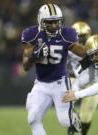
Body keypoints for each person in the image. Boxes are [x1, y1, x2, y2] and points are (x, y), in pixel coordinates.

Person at [21, 4, 86, 135]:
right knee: (33, 118)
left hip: (60, 82)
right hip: (41, 83)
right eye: (49, 22)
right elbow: (25, 66)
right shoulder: (32, 34)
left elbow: (83, 53)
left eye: (56, 22)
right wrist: (34, 56)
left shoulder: (67, 34)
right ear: (41, 21)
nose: (54, 26)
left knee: (65, 122)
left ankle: (73, 117)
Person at [67, 21, 98, 135]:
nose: (80, 39)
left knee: (86, 117)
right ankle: (73, 121)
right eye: (77, 36)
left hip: (93, 81)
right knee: (64, 103)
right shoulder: (68, 46)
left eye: (83, 36)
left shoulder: (96, 45)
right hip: (76, 79)